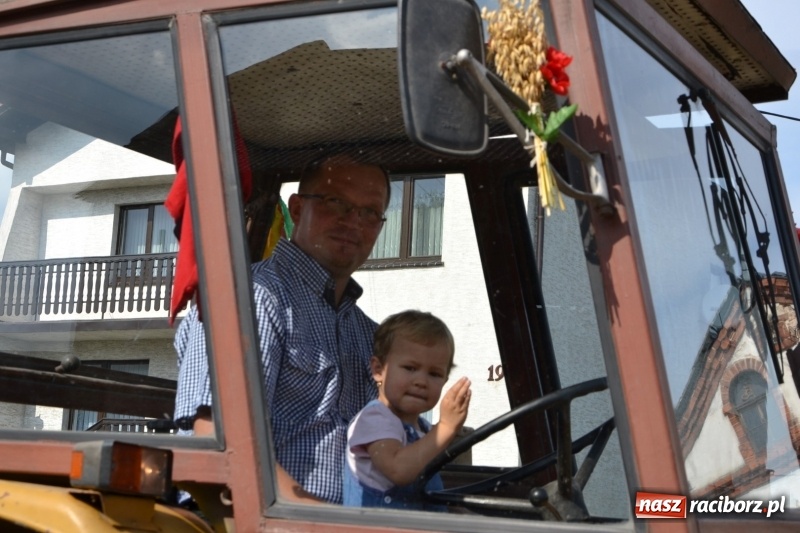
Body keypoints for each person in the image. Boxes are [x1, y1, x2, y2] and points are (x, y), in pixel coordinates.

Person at [173, 153, 391, 504]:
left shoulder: (369, 334)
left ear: (379, 227)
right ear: (297, 209)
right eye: (337, 203)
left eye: (369, 212)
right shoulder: (252, 299)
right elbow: (220, 445)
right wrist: (323, 522)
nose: (353, 221)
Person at [343, 310, 472, 510]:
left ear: (445, 380)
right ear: (379, 370)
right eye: (410, 368)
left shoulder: (424, 430)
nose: (421, 381)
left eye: (434, 374)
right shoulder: (375, 418)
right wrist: (445, 427)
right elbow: (398, 470)